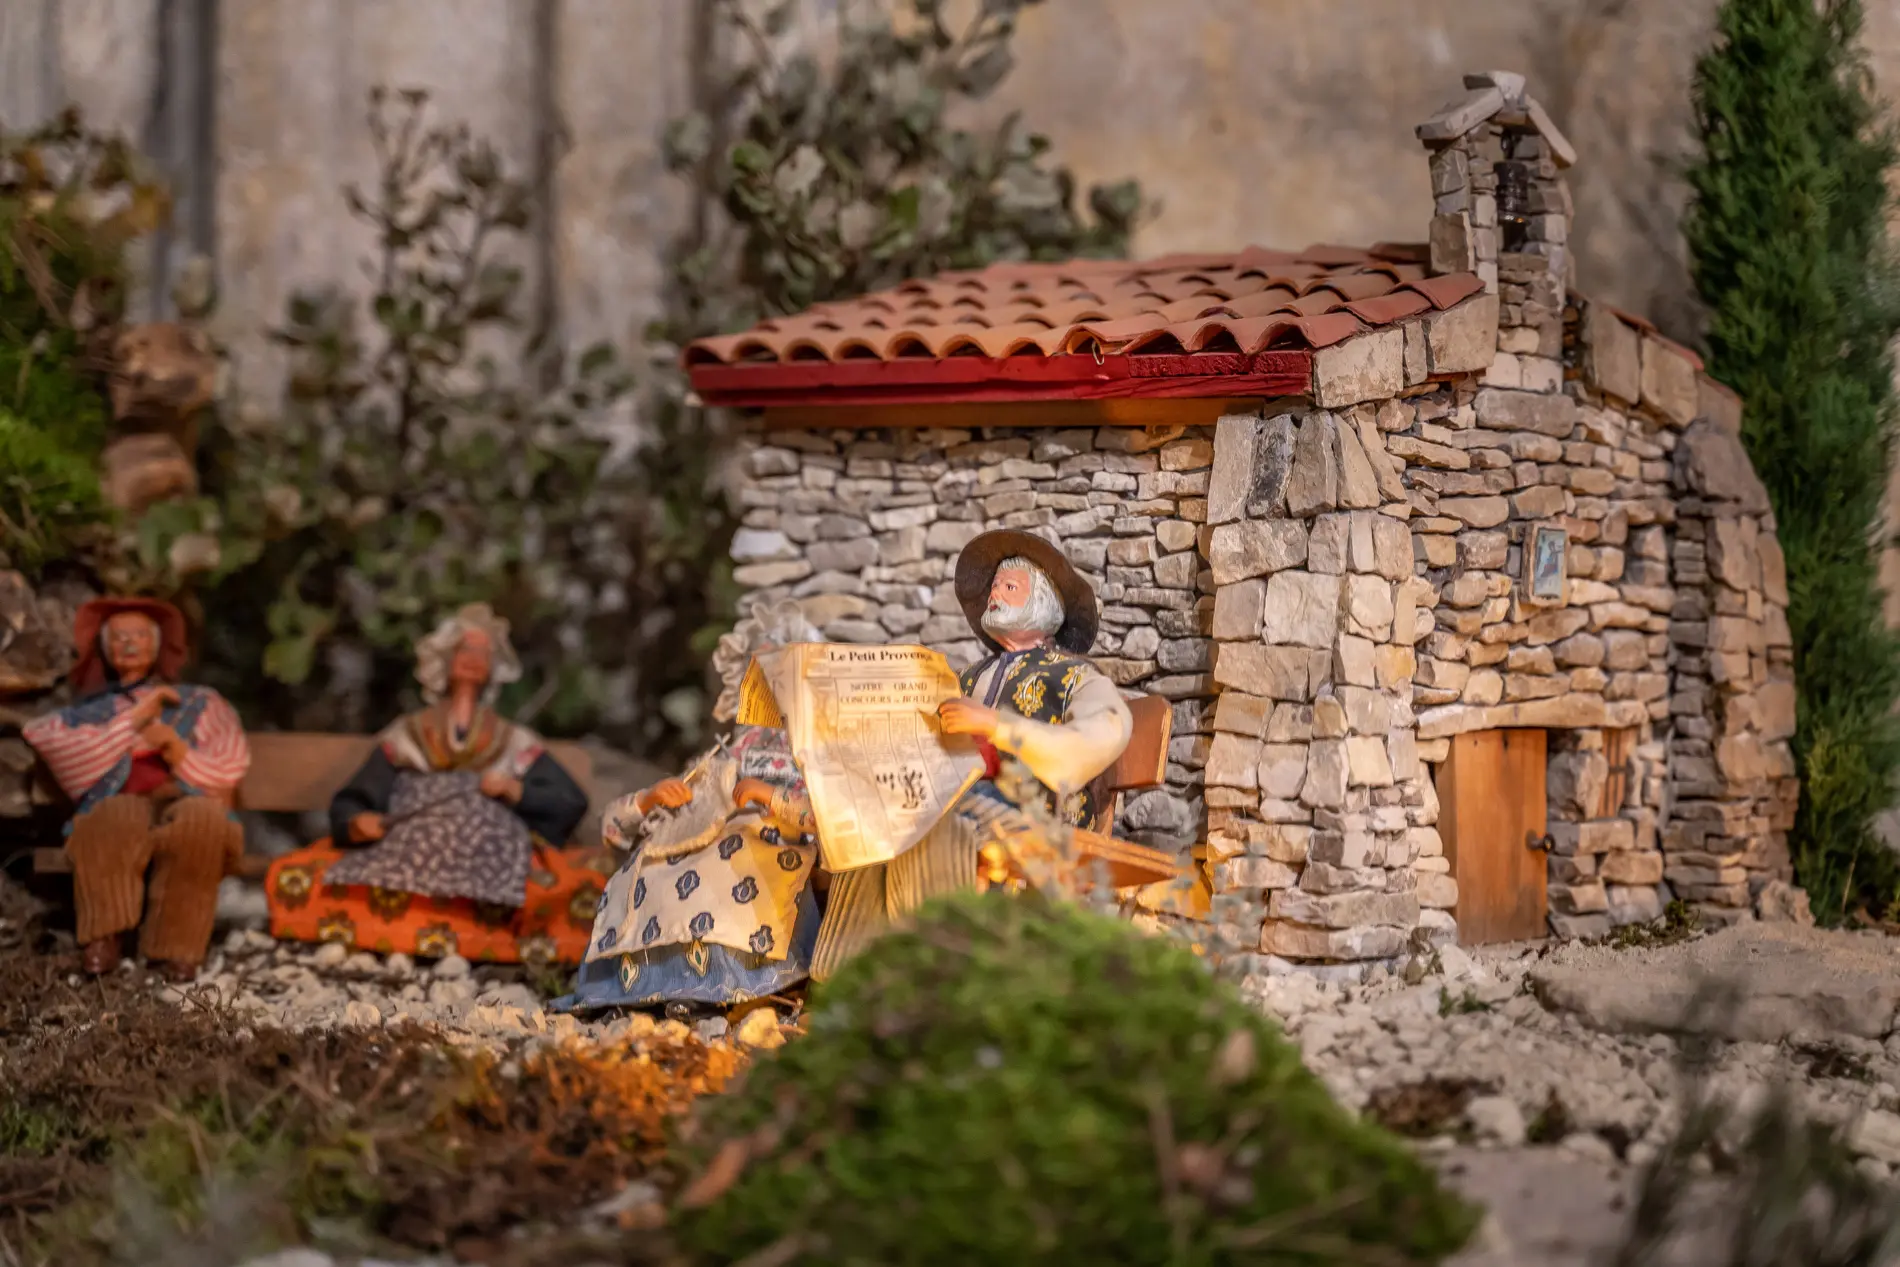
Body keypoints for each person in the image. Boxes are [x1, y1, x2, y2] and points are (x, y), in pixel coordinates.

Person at [808, 529, 1134, 978]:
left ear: (1044, 604)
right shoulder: (961, 679)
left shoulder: (1074, 676)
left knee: (934, 817)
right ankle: (847, 973)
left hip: (1030, 808)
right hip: (952, 794)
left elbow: (1103, 732)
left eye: (1009, 586)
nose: (994, 593)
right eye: (995, 586)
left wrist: (996, 727)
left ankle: (933, 972)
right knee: (876, 812)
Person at [266, 603, 596, 964]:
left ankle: (418, 930)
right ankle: (441, 931)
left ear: (494, 668)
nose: (472, 659)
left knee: (566, 889)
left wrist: (514, 790)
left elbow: (569, 800)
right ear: (445, 659)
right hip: (407, 850)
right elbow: (360, 793)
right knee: (301, 876)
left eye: (483, 653)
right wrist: (356, 821)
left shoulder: (512, 741)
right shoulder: (410, 733)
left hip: (489, 856)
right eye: (465, 650)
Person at [554, 600, 825, 1015]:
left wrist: (769, 797)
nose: (772, 686)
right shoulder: (730, 751)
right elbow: (615, 828)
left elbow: (831, 816)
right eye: (762, 675)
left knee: (724, 867)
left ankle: (726, 986)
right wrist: (650, 801)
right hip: (709, 836)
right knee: (656, 868)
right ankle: (648, 985)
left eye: (783, 674)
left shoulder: (817, 751)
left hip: (769, 842)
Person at [24, 597, 251, 981]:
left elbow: (230, 763)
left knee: (202, 824)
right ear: (105, 648)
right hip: (119, 801)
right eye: (120, 637)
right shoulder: (90, 711)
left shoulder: (198, 701)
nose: (130, 644)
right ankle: (103, 936)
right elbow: (47, 741)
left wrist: (174, 748)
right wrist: (131, 723)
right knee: (114, 816)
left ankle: (178, 949)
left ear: (157, 644)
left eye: (140, 635)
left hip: (182, 797)